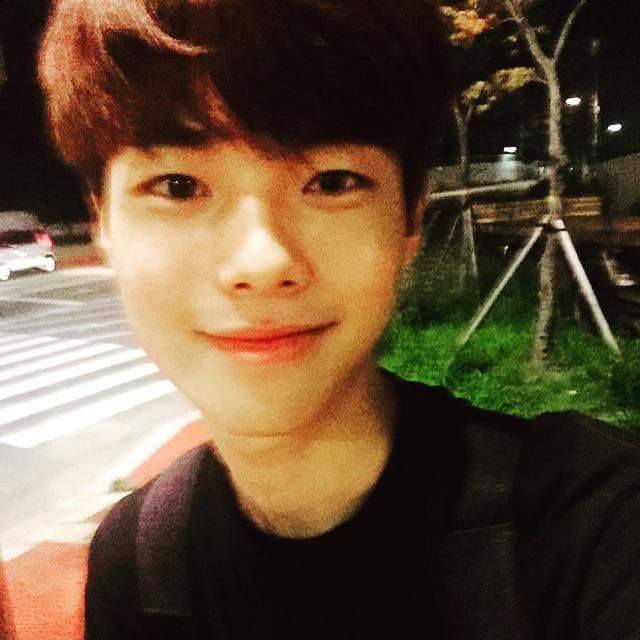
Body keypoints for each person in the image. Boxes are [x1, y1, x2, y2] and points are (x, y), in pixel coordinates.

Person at [38, 1, 640, 638]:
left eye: (331, 182)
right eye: (178, 186)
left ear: (410, 216)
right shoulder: (134, 563)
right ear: (103, 222)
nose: (263, 262)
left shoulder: (591, 530)